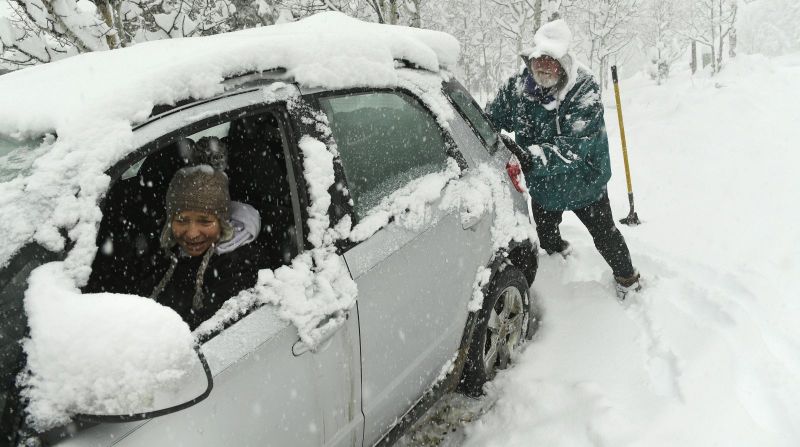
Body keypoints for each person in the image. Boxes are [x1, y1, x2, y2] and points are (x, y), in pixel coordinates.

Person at [487, 19, 641, 299]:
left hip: (585, 184)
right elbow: (491, 118)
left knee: (606, 237)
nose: (544, 67)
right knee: (546, 234)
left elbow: (573, 147)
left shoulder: (584, 90)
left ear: (564, 63)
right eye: (539, 60)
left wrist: (530, 158)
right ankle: (559, 256)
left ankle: (627, 279)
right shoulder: (518, 88)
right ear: (531, 60)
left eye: (552, 61)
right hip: (545, 189)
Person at [147, 138, 262, 328]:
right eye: (182, 220)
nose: (192, 234)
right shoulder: (165, 252)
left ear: (222, 223)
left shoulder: (238, 270)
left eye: (205, 221)